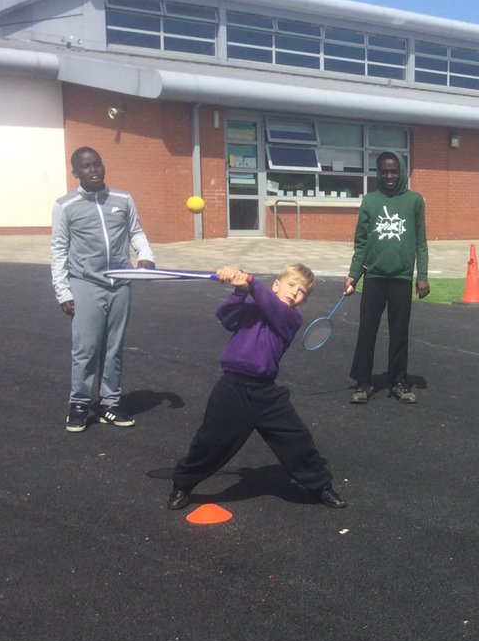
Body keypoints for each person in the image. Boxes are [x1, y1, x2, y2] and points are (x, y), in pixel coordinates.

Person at [167, 264, 346, 511]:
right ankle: (182, 484)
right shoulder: (252, 305)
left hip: (266, 394)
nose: (295, 292)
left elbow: (270, 305)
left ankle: (321, 486)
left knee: (296, 439)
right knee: (209, 442)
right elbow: (226, 317)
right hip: (232, 388)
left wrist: (250, 281)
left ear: (303, 301)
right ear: (276, 285)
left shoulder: (291, 318)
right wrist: (240, 290)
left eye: (302, 291)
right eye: (291, 285)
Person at [51, 147, 157, 432]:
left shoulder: (122, 199)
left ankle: (109, 404)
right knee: (85, 348)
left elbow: (135, 231)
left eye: (97, 163)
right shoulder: (65, 205)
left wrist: (145, 254)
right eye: (86, 166)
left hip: (120, 282)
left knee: (114, 348)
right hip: (86, 283)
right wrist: (64, 291)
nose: (94, 169)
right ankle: (80, 404)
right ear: (76, 173)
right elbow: (59, 250)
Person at [344, 151, 430, 404]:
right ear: (378, 173)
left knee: (399, 333)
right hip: (374, 277)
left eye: (394, 171)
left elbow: (420, 242)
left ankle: (398, 382)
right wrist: (353, 275)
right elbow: (361, 243)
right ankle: (363, 383)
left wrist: (421, 276)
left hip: (401, 278)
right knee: (367, 331)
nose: (389, 176)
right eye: (384, 171)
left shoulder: (414, 201)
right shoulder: (370, 201)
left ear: (401, 171)